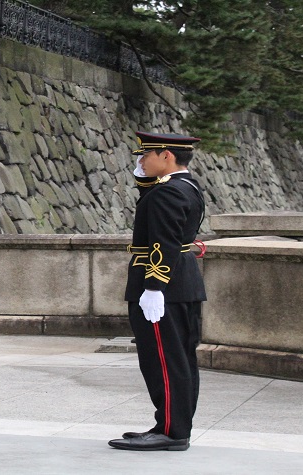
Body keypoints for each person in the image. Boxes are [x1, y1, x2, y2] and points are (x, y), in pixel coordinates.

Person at [109, 131, 206, 451]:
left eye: (145, 156)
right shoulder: (184, 185)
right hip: (182, 283)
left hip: (165, 286)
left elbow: (162, 241)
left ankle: (172, 430)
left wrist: (153, 287)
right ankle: (171, 424)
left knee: (163, 360)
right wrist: (143, 177)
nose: (140, 161)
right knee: (178, 360)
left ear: (166, 156)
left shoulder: (168, 192)